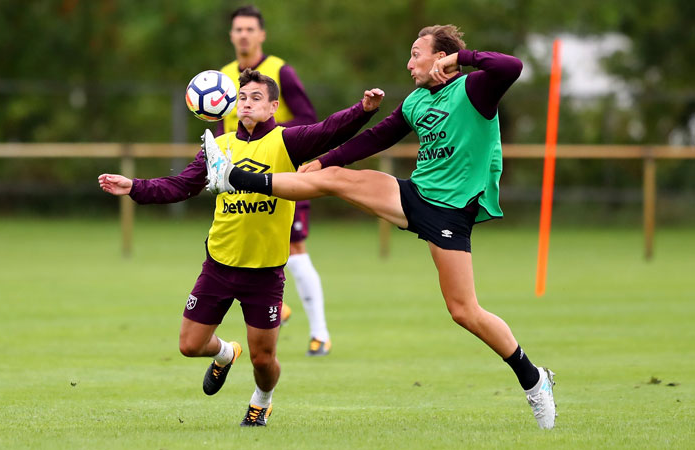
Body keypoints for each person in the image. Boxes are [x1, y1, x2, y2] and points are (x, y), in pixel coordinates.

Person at [205, 25, 557, 429]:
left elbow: (511, 66)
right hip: (413, 196)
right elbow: (375, 139)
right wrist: (324, 159)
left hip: (450, 213)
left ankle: (534, 380)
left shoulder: (474, 89)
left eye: (417, 53)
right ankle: (233, 177)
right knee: (334, 178)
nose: (409, 63)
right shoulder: (417, 101)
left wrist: (460, 59)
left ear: (440, 57)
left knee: (464, 311)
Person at [99, 69, 384, 427]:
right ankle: (224, 354)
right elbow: (181, 185)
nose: (247, 104)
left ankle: (262, 400)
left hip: (264, 272)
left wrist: (363, 109)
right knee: (189, 345)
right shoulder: (219, 146)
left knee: (263, 361)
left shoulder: (287, 142)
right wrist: (135, 186)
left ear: (273, 106)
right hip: (219, 263)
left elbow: (328, 130)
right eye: (243, 98)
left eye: (255, 98)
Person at [220, 5, 331, 356]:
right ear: (231, 35)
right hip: (236, 181)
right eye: (238, 29)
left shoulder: (279, 70)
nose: (243, 35)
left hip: (280, 173)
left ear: (261, 35)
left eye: (250, 29)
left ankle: (320, 333)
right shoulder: (222, 78)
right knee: (234, 246)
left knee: (295, 249)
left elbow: (308, 117)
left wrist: (272, 141)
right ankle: (278, 308)